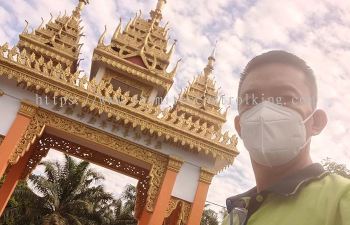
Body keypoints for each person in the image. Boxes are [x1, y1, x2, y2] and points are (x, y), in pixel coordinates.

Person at [221, 50, 350, 225]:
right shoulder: (234, 216)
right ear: (239, 127)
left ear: (315, 122)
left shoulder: (341, 201)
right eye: (251, 101)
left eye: (286, 98)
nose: (264, 111)